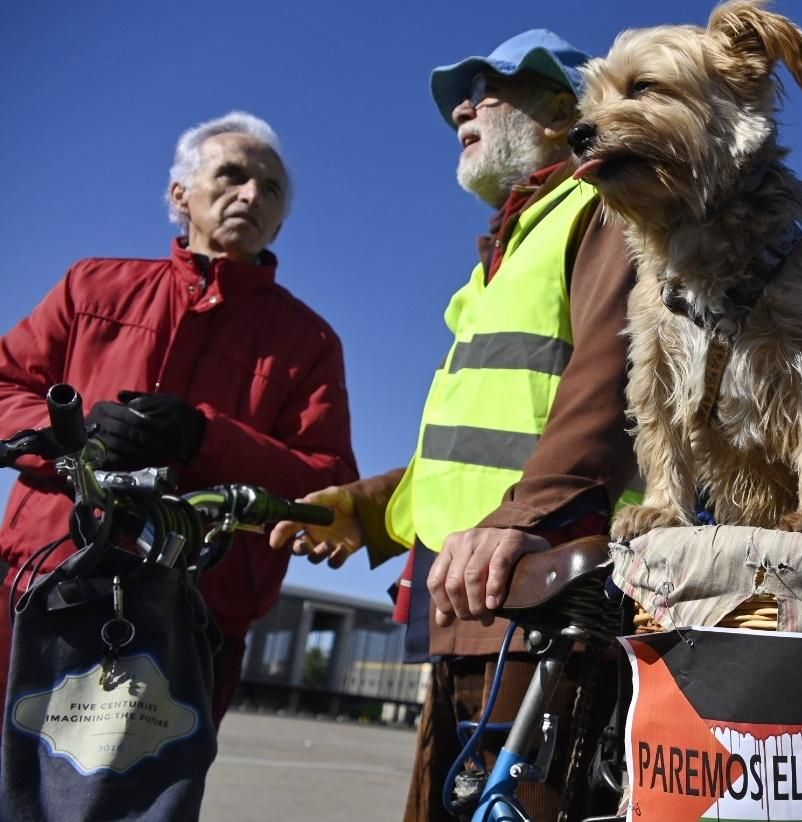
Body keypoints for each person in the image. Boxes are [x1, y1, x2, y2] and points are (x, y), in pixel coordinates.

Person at [269, 30, 640, 822]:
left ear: (557, 109)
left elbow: (614, 379)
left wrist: (526, 517)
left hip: (553, 604)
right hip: (473, 603)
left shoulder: (605, 204)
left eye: (488, 87)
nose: (461, 108)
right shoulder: (505, 254)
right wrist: (371, 509)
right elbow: (480, 443)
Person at [0, 111, 358, 725]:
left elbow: (327, 485)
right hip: (45, 585)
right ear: (180, 194)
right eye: (232, 175)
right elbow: (7, 386)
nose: (251, 194)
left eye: (270, 189)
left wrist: (206, 438)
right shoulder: (90, 288)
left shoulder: (310, 341)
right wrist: (76, 438)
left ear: (279, 219)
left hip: (195, 613)